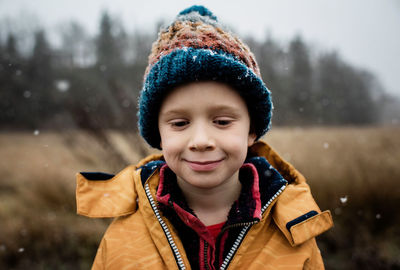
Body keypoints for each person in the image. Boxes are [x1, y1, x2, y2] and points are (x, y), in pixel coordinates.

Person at [76, 5, 333, 270]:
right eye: (180, 123)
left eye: (222, 122)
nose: (200, 140)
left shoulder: (293, 230)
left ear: (251, 130)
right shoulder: (123, 239)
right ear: (159, 134)